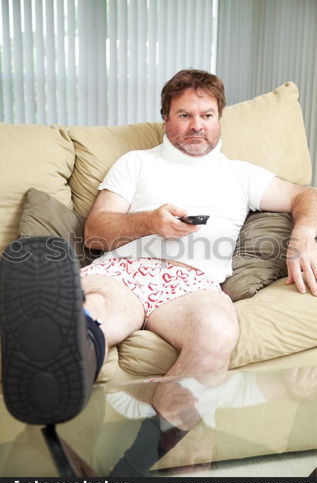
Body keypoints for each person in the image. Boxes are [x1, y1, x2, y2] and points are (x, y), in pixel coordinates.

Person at [1, 69, 317, 437]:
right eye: (184, 115)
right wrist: (150, 222)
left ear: (219, 119)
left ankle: (154, 443)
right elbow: (95, 231)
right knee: (96, 311)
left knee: (217, 330)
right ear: (166, 119)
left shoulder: (242, 174)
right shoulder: (136, 163)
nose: (196, 125)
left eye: (206, 115)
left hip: (193, 284)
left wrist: (304, 233)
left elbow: (303, 195)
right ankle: (53, 389)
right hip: (124, 270)